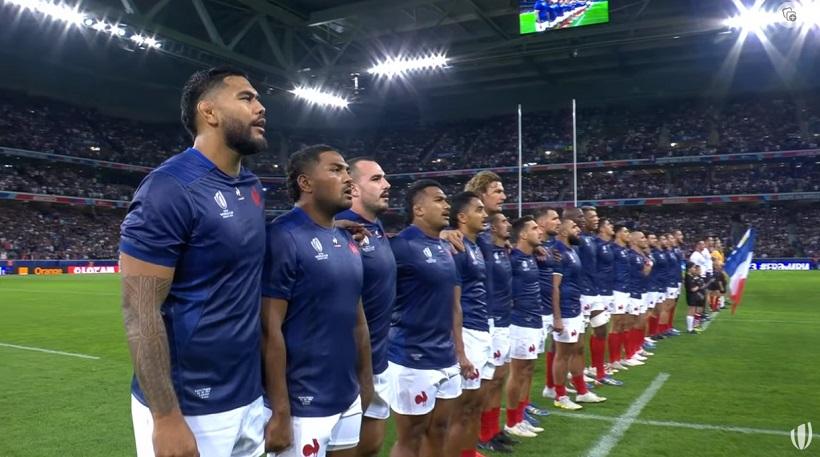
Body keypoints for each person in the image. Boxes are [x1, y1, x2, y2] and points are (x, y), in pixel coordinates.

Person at [120, 66, 269, 457]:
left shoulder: (252, 187)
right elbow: (139, 309)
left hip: (249, 395)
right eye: (246, 98)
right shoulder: (169, 187)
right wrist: (166, 416)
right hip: (191, 407)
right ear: (210, 112)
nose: (261, 106)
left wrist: (332, 227)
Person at [261, 145, 373, 457]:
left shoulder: (346, 239)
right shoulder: (283, 237)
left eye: (348, 171)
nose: (348, 179)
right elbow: (270, 329)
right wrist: (281, 411)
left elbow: (358, 320)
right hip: (302, 404)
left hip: (347, 393)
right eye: (336, 170)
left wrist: (365, 383)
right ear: (305, 183)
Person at [387, 179, 473, 457]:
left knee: (439, 430)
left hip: (445, 357)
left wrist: (459, 352)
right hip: (412, 358)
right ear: (418, 209)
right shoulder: (401, 246)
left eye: (446, 200)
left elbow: (453, 304)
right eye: (439, 200)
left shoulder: (445, 247)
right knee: (410, 436)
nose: (447, 205)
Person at [336, 157, 396, 457]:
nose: (386, 185)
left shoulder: (376, 226)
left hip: (378, 359)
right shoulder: (341, 229)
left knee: (371, 447)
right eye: (376, 179)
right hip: (346, 365)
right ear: (354, 189)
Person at [445, 192, 495, 457]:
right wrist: (460, 352)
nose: (484, 214)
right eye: (478, 210)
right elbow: (454, 303)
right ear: (462, 217)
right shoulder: (457, 247)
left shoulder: (475, 246)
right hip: (467, 333)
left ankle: (468, 452)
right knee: (461, 409)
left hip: (481, 328)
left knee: (476, 404)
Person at [552, 217, 607, 410]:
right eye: (574, 226)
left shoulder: (571, 251)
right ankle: (560, 395)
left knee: (577, 348)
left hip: (575, 306)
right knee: (562, 354)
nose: (578, 230)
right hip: (565, 308)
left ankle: (582, 391)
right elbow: (555, 286)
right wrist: (557, 317)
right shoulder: (558, 251)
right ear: (564, 232)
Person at [478, 213, 516, 453]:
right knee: (489, 382)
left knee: (500, 377)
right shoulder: (485, 248)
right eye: (503, 221)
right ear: (491, 228)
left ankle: (493, 431)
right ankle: (483, 433)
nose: (508, 224)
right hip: (490, 319)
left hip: (505, 319)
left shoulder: (504, 251)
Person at [505, 216, 546, 438]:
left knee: (528, 370)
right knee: (518, 372)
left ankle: (520, 416)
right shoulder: (512, 257)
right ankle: (512, 421)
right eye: (534, 228)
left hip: (534, 319)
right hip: (519, 321)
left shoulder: (532, 257)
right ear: (522, 234)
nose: (539, 232)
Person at [535, 208, 563, 400]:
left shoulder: (553, 248)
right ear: (542, 223)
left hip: (547, 308)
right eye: (554, 219)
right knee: (520, 366)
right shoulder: (526, 247)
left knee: (552, 347)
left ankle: (551, 386)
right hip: (531, 312)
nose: (558, 222)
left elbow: (554, 284)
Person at [593, 219, 623, 386]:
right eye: (610, 225)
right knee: (598, 330)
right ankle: (597, 370)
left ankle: (600, 369)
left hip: (608, 290)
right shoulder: (596, 244)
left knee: (602, 330)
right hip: (599, 291)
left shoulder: (609, 246)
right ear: (603, 228)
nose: (612, 227)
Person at [609, 224, 632, 371]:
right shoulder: (613, 249)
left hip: (625, 289)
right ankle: (612, 360)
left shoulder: (625, 250)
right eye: (625, 231)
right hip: (616, 289)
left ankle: (620, 357)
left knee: (623, 322)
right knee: (615, 324)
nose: (628, 234)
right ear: (617, 234)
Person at [685, 262, 706, 334]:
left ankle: (691, 328)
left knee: (693, 311)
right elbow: (692, 289)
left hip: (693, 296)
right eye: (693, 267)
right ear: (689, 268)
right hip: (691, 296)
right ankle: (689, 329)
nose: (694, 269)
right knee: (691, 311)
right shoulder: (688, 277)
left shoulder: (690, 276)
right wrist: (699, 286)